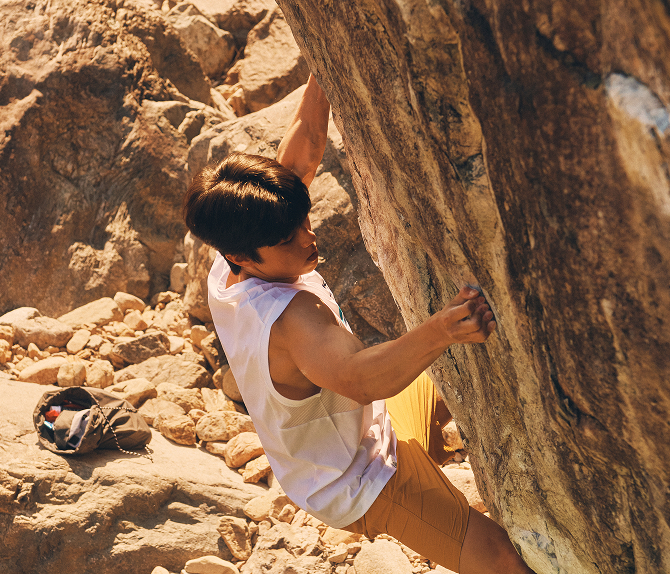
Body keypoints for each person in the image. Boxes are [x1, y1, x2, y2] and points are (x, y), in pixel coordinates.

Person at [183, 75, 536, 574]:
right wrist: (443, 329)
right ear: (243, 255)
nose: (308, 239)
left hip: (368, 424)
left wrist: (322, 70)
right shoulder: (290, 320)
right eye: (288, 239)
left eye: (303, 221)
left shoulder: (235, 257)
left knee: (446, 378)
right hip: (359, 479)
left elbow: (305, 148)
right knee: (502, 559)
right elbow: (361, 378)